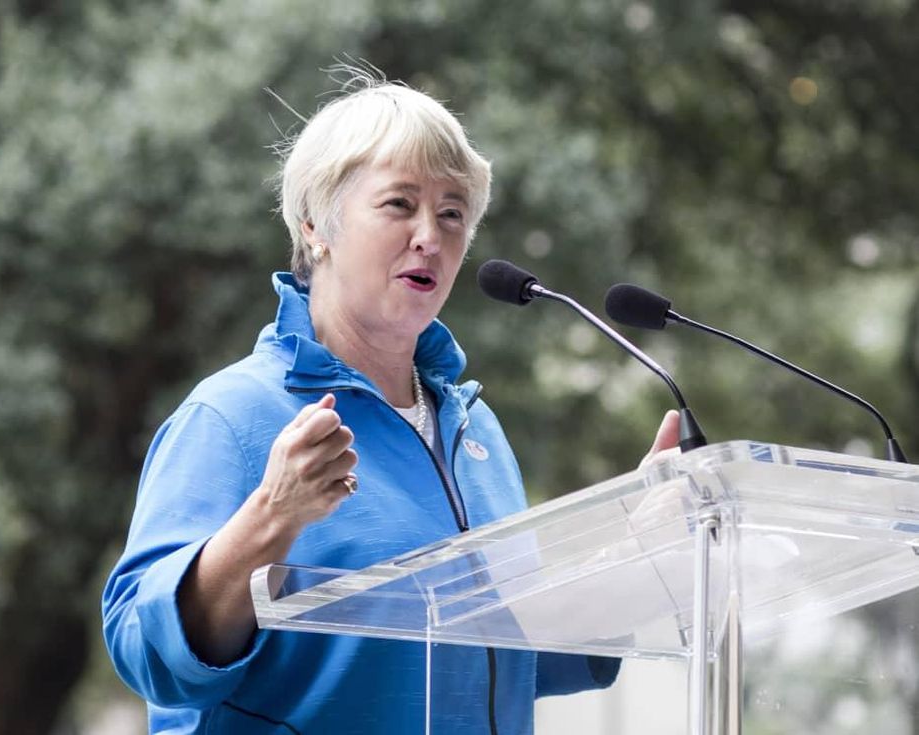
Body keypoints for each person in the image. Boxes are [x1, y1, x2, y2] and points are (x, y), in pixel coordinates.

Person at [102, 70, 681, 734]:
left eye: (453, 211)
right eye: (400, 204)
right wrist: (272, 515)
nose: (430, 235)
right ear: (315, 223)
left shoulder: (474, 433)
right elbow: (142, 649)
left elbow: (507, 658)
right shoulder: (233, 416)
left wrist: (639, 554)